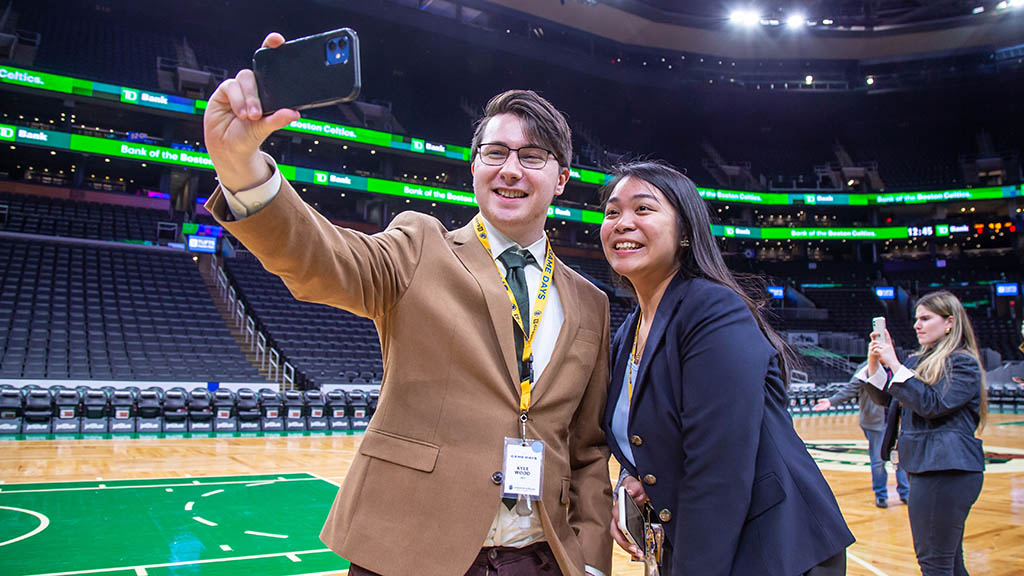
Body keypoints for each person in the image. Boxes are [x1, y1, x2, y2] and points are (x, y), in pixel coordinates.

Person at [202, 33, 613, 576]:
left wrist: (589, 562)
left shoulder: (592, 303)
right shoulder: (420, 246)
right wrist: (240, 168)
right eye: (495, 153)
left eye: (532, 156)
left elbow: (586, 454)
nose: (510, 169)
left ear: (561, 179)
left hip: (539, 558)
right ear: (474, 169)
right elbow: (322, 259)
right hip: (409, 550)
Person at [599, 161, 854, 575]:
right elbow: (649, 439)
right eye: (612, 212)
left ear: (685, 233)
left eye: (643, 209)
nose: (623, 223)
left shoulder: (712, 308)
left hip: (773, 549)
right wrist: (632, 480)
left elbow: (718, 469)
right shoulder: (629, 330)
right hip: (707, 542)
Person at [864, 291, 986, 576]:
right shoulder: (918, 360)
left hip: (946, 470)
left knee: (935, 565)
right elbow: (889, 399)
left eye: (925, 318)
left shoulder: (962, 363)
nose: (917, 325)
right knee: (949, 563)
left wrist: (894, 363)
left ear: (949, 323)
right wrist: (875, 362)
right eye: (916, 319)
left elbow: (933, 404)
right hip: (930, 468)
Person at [813, 360, 910, 508]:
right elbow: (851, 388)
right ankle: (881, 495)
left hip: (896, 421)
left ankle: (905, 493)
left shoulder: (896, 365)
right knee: (878, 461)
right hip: (875, 423)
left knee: (901, 459)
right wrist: (831, 401)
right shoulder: (866, 368)